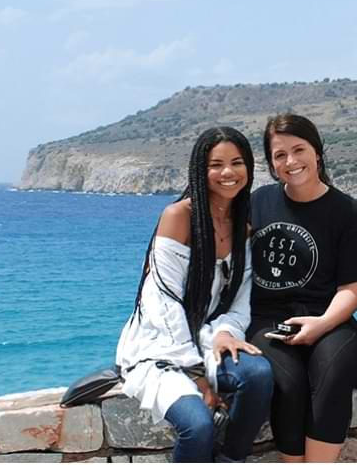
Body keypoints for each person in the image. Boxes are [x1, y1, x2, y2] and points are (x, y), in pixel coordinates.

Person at [114, 126, 274, 463]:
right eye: (216, 164)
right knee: (198, 425)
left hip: (208, 337)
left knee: (259, 375)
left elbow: (240, 300)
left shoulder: (243, 227)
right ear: (199, 170)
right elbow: (162, 302)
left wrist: (227, 333)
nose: (227, 172)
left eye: (237, 162)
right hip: (162, 346)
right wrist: (196, 372)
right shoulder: (178, 217)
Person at [247, 114, 357, 463]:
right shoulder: (259, 203)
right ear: (271, 163)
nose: (291, 161)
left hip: (329, 318)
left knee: (333, 374)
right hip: (267, 320)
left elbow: (351, 288)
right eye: (280, 155)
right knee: (289, 382)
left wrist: (322, 324)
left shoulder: (347, 212)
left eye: (298, 149)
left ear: (317, 152)